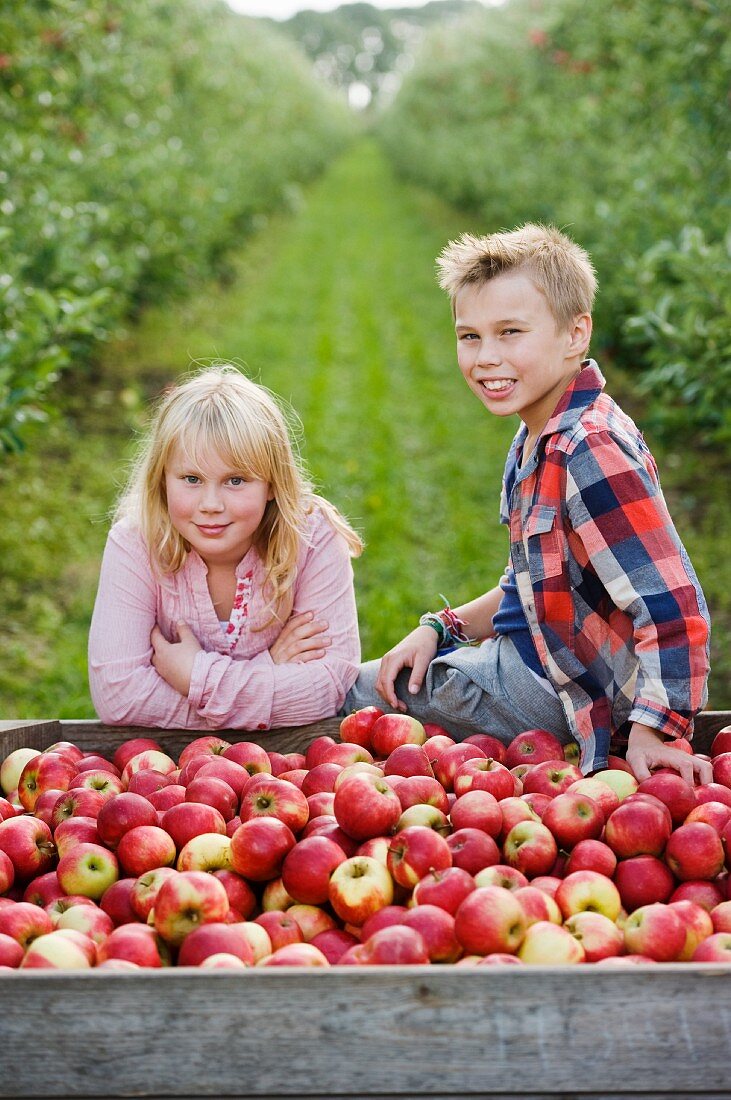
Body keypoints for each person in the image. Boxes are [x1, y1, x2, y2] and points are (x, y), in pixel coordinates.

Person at [344, 224, 712, 784]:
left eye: (510, 332)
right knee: (394, 677)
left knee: (351, 694)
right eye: (470, 337)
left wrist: (653, 730)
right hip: (538, 658)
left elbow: (673, 604)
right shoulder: (540, 437)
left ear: (575, 334)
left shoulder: (588, 449)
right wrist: (442, 627)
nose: (486, 357)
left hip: (556, 692)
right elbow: (534, 580)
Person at [89, 364, 362, 730]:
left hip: (286, 769)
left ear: (272, 484)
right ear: (162, 480)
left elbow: (330, 685)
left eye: (235, 480)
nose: (211, 504)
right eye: (191, 479)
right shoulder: (135, 543)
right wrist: (267, 670)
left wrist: (195, 677)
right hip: (165, 770)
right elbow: (119, 697)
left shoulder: (311, 537)